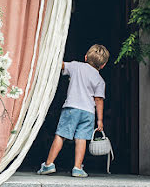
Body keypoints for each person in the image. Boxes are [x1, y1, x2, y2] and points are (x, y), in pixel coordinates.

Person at [37, 44, 109, 177]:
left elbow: (61, 65)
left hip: (72, 108)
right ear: (103, 65)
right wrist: (100, 120)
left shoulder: (76, 66)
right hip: (88, 113)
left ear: (86, 57)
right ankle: (77, 168)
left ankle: (48, 164)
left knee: (61, 135)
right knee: (81, 138)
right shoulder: (100, 80)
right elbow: (99, 100)